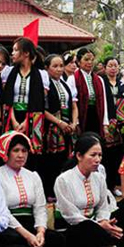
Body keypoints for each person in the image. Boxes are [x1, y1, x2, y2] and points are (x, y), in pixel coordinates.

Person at [54, 135, 124, 247]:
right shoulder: (64, 179)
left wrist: (104, 221)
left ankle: (109, 243)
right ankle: (111, 242)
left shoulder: (98, 177)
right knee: (87, 228)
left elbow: (103, 206)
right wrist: (100, 226)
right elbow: (70, 215)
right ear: (79, 156)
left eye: (100, 155)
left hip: (98, 222)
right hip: (76, 226)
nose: (98, 159)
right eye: (93, 155)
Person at [0, 131, 66, 247]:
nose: (21, 155)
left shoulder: (33, 176)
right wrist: (27, 236)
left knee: (58, 240)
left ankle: (35, 245)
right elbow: (2, 212)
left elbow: (40, 207)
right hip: (10, 226)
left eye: (24, 151)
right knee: (12, 240)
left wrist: (40, 232)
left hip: (31, 224)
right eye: (16, 150)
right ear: (6, 152)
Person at [1, 38, 49, 163]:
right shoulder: (9, 72)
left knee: (28, 154)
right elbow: (7, 99)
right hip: (13, 116)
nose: (12, 53)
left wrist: (26, 122)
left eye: (16, 50)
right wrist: (14, 121)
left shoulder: (40, 75)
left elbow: (39, 102)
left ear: (26, 53)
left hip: (31, 118)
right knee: (11, 150)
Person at [41, 53, 78, 199]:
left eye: (61, 66)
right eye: (55, 66)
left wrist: (74, 123)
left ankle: (61, 191)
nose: (59, 69)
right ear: (47, 68)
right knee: (51, 160)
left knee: (65, 160)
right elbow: (42, 109)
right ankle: (49, 191)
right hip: (52, 128)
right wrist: (59, 123)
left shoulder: (65, 83)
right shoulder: (45, 85)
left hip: (67, 127)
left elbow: (74, 106)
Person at [101, 57, 124, 193]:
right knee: (107, 154)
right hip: (108, 120)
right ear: (105, 67)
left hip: (121, 124)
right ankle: (106, 185)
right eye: (110, 65)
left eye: (115, 66)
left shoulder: (122, 83)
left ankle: (115, 185)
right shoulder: (102, 82)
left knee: (118, 154)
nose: (113, 68)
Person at [73, 48, 109, 137]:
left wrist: (105, 124)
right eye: (86, 59)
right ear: (78, 62)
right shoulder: (73, 78)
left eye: (92, 60)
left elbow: (103, 102)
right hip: (82, 115)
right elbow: (72, 102)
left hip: (96, 113)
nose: (90, 62)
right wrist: (76, 122)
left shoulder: (99, 79)